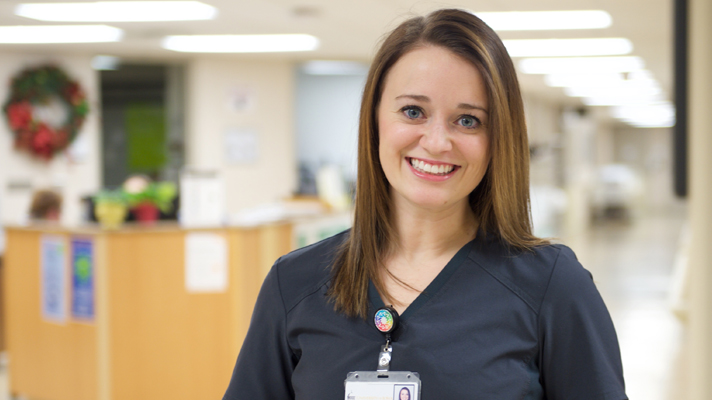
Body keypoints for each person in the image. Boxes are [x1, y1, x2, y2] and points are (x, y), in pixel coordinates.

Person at [224, 9, 627, 400]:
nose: (436, 142)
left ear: (497, 138)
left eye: (467, 120)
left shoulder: (551, 286)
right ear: (375, 120)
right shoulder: (294, 284)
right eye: (413, 111)